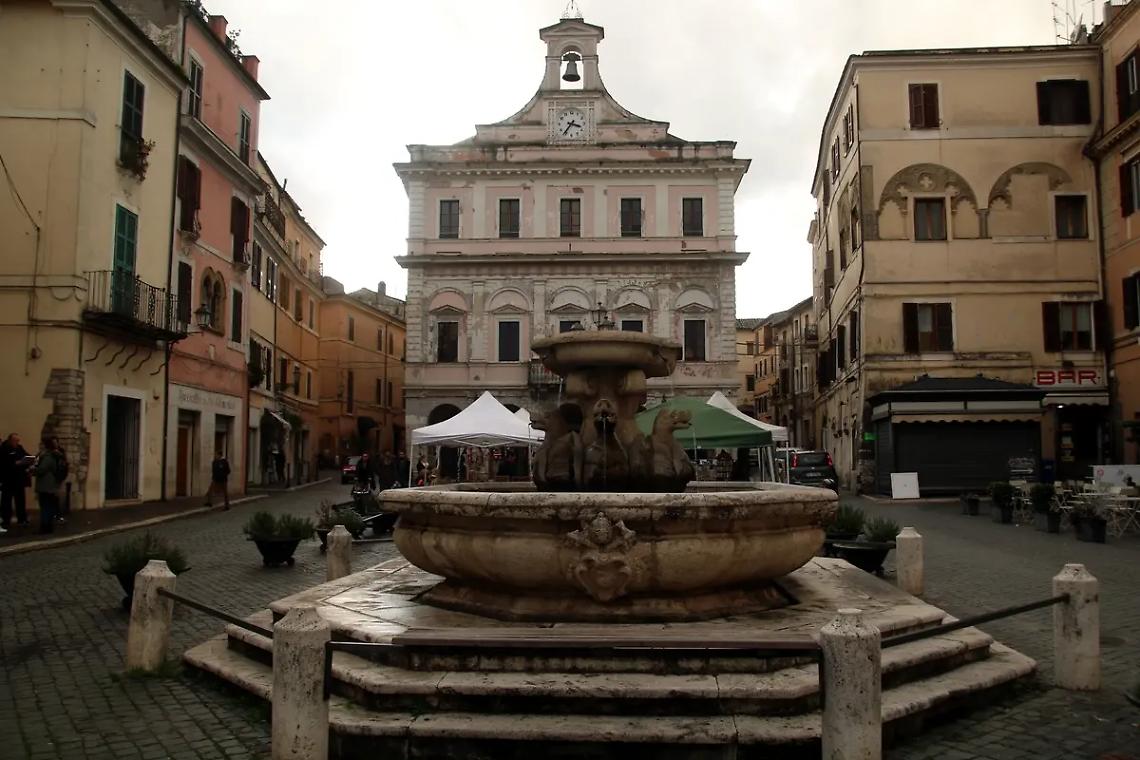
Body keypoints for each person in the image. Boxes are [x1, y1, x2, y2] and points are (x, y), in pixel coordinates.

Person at [1, 433, 32, 533]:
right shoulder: (4, 448)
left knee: (20, 500)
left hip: (19, 479)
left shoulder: (19, 448)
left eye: (18, 441)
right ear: (10, 440)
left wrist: (29, 459)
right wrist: (16, 463)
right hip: (8, 479)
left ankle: (22, 519)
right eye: (15, 441)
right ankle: (6, 519)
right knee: (6, 501)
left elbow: (26, 455)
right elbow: (5, 463)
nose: (17, 443)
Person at [31, 437, 61, 534]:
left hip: (46, 485)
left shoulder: (48, 456)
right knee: (48, 506)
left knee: (45, 507)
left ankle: (45, 527)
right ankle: (47, 526)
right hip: (49, 485)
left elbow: (42, 469)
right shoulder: (50, 455)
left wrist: (32, 470)